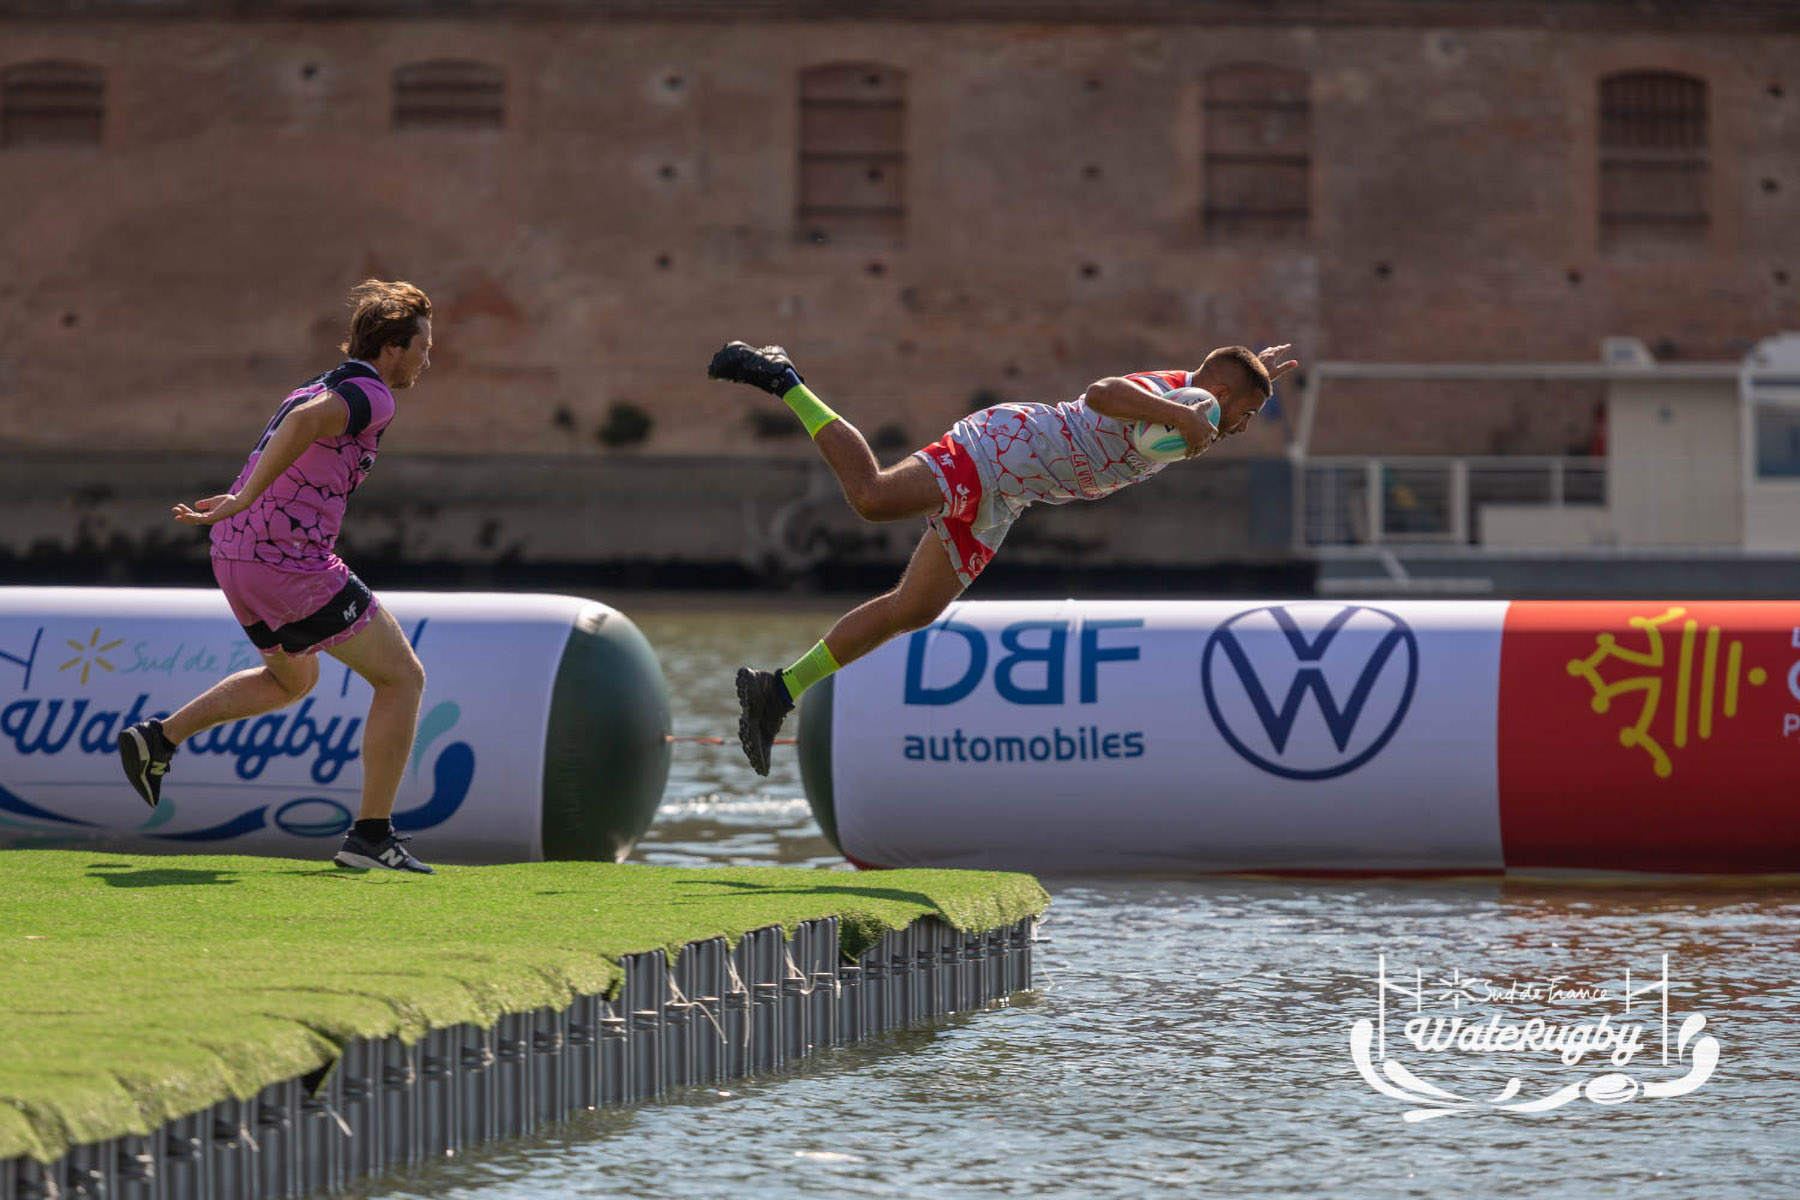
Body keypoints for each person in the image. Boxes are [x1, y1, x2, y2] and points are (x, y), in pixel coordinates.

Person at [707, 339, 1300, 775]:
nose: (1244, 427)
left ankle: (776, 691)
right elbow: (1102, 394)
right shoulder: (1177, 400)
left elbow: (1213, 386)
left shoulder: (1199, 396)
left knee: (914, 608)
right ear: (1219, 395)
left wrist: (1249, 379)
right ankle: (784, 377)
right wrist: (1184, 412)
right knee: (874, 496)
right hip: (996, 449)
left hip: (1010, 493)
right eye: (1245, 414)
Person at [117, 280, 437, 873]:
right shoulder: (373, 396)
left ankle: (159, 740)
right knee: (402, 679)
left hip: (236, 559)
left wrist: (240, 501)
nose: (427, 357)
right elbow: (302, 430)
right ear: (392, 346)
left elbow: (290, 434)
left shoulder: (320, 382)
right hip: (287, 563)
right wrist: (243, 500)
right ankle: (371, 837)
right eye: (422, 345)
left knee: (293, 681)